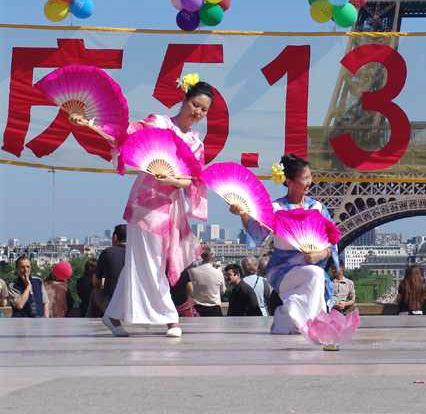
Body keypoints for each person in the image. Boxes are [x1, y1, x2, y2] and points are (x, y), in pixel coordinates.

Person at [71, 77, 213, 338]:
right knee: (150, 260)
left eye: (204, 110)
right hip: (145, 204)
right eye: (195, 104)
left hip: (171, 206)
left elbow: (192, 179)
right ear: (184, 99)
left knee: (144, 262)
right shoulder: (158, 123)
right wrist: (90, 125)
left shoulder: (196, 143)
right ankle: (170, 318)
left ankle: (113, 315)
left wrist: (173, 180)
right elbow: (123, 135)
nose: (198, 112)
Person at [235, 153, 340, 334]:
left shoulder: (318, 208)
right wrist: (243, 213)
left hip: (310, 267)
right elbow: (257, 234)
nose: (310, 182)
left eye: (310, 177)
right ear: (289, 181)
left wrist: (320, 254)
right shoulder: (276, 208)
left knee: (313, 277)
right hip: (282, 271)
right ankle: (311, 326)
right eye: (305, 178)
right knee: (316, 274)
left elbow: (331, 242)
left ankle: (287, 318)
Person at [95, 224, 127, 316]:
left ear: (115, 237)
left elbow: (96, 281)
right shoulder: (135, 253)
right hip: (132, 300)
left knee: (94, 293)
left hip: (111, 301)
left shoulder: (107, 252)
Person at [189, 246, 225, 316]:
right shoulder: (218, 272)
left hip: (197, 309)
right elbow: (222, 291)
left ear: (201, 256)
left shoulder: (192, 271)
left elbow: (189, 290)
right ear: (212, 256)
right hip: (215, 310)